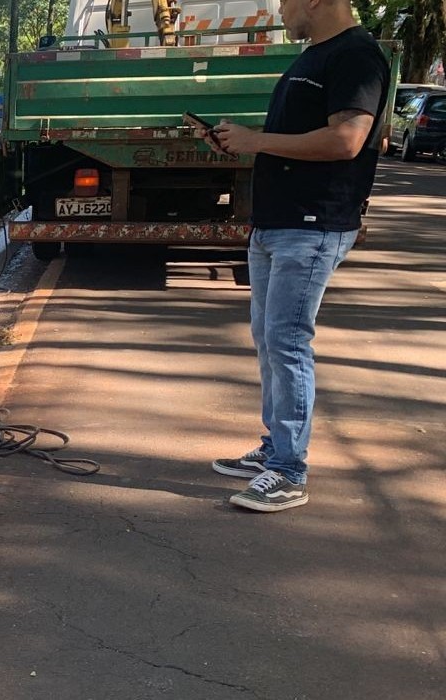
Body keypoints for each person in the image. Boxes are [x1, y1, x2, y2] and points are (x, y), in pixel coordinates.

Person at [206, 0, 388, 512]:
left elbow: (348, 139)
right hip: (277, 223)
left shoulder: (355, 55)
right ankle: (275, 450)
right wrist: (242, 143)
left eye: (286, 0)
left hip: (311, 224)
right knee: (269, 337)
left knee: (287, 341)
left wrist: (255, 141)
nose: (280, 8)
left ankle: (289, 470)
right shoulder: (315, 53)